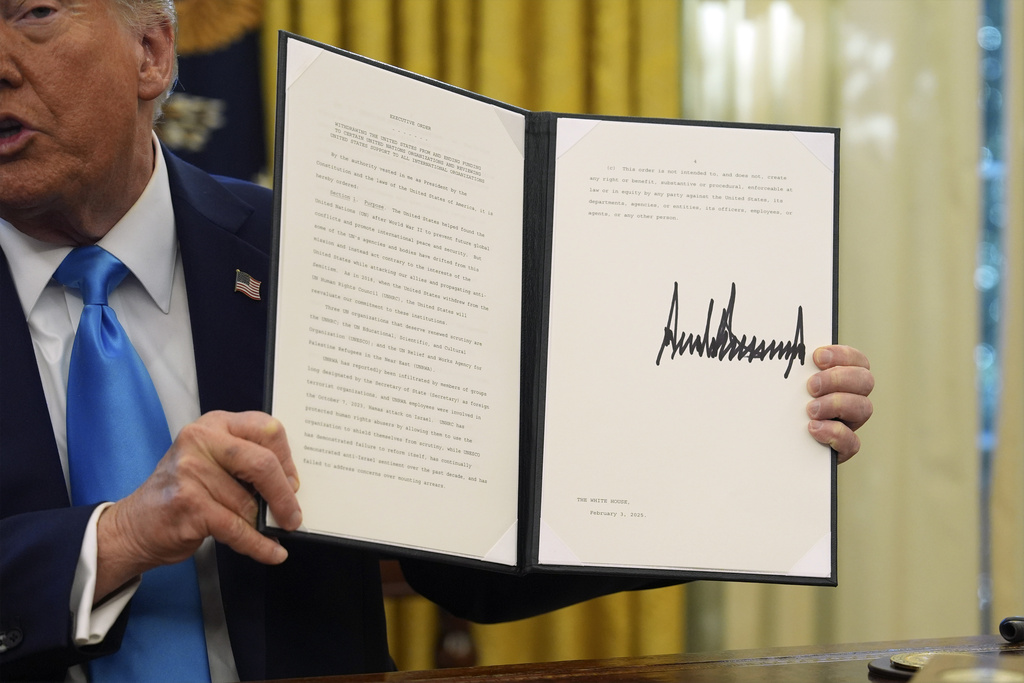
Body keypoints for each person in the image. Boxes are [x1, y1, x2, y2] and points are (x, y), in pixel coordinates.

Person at [0, 0, 875, 681]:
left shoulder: (318, 241)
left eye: (31, 13)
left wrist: (751, 450)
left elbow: (474, 559)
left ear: (152, 53)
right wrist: (118, 537)